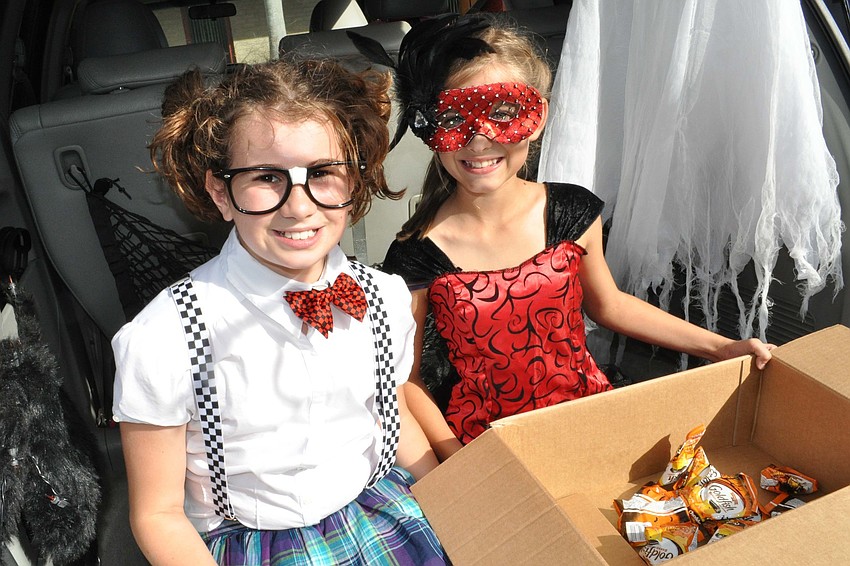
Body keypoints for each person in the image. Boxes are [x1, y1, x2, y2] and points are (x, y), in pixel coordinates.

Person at [370, 14, 775, 460]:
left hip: (587, 419)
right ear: (430, 129)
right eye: (452, 118)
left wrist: (722, 346)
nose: (480, 138)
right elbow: (406, 380)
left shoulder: (571, 211)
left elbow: (609, 304)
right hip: (488, 447)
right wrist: (460, 463)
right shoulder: (414, 256)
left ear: (537, 116)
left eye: (502, 113)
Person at [111, 56, 449, 565]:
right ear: (221, 192)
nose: (298, 206)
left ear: (355, 181)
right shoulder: (164, 338)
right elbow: (157, 515)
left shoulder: (385, 297)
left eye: (323, 172)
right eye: (267, 177)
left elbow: (391, 411)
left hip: (384, 510)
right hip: (253, 541)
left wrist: (457, 505)